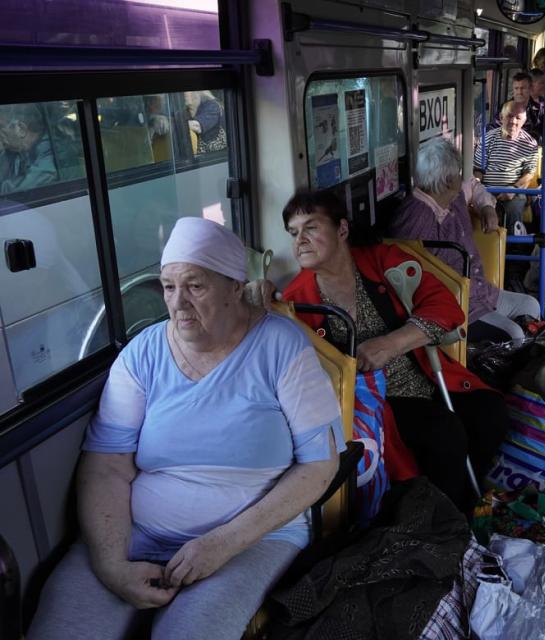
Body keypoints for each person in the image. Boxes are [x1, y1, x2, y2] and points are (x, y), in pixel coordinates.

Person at [28, 217, 345, 640]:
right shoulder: (142, 354)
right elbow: (107, 467)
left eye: (195, 286)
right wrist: (111, 564)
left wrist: (223, 543)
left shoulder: (281, 347)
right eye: (168, 286)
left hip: (251, 539)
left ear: (235, 286)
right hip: (134, 534)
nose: (178, 302)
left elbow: (319, 467)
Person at [280, 190, 509, 510]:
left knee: (492, 414)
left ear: (342, 230)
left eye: (311, 228)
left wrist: (392, 343)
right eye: (293, 233)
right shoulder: (294, 300)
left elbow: (445, 306)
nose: (300, 240)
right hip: (373, 404)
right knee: (445, 435)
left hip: (425, 374)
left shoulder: (382, 261)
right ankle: (449, 519)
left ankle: (468, 497)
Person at [390, 138, 540, 342]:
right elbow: (407, 278)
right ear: (447, 180)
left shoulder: (451, 195)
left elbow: (474, 186)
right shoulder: (414, 219)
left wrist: (487, 207)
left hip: (482, 292)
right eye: (457, 173)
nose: (461, 177)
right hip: (457, 305)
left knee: (531, 306)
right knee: (514, 335)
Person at [473, 100, 539, 233]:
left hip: (514, 189)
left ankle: (513, 246)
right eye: (509, 116)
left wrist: (513, 189)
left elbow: (529, 173)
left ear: (524, 121)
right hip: (487, 189)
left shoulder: (530, 143)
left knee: (514, 208)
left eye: (518, 118)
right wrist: (477, 187)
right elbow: (478, 169)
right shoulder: (488, 139)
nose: (513, 121)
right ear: (501, 118)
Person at [0, 103, 57, 194]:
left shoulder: (52, 151)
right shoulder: (14, 151)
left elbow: (21, 189)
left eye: (1, 127)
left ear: (21, 129)